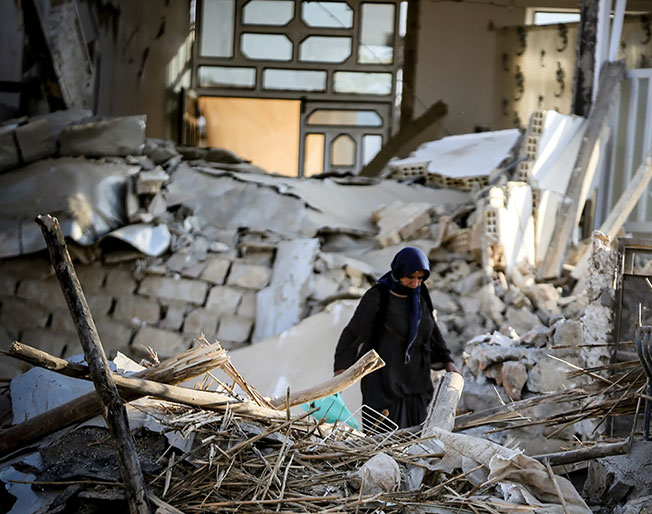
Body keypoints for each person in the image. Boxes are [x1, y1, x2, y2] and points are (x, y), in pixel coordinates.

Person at [333, 246, 458, 430]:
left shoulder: (420, 295)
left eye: (420, 278)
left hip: (416, 381)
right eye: (411, 277)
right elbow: (354, 331)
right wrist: (341, 369)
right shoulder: (379, 296)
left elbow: (431, 327)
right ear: (400, 272)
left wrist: (447, 360)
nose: (416, 283)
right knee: (385, 439)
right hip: (384, 383)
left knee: (417, 438)